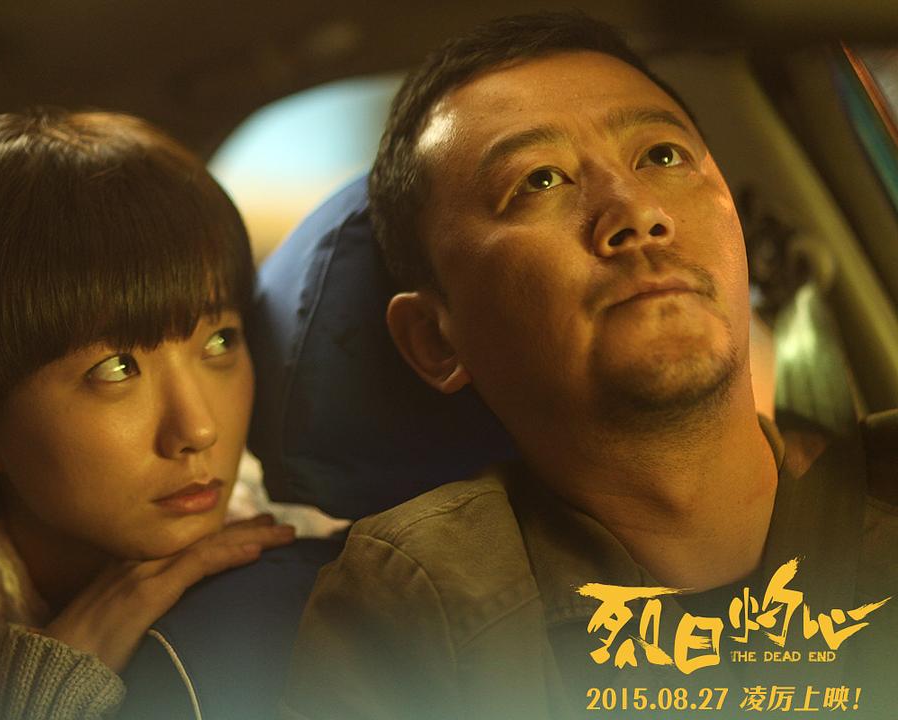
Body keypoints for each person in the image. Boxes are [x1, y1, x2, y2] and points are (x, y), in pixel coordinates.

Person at [281, 12, 898, 720]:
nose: (636, 212)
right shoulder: (426, 601)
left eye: (662, 156)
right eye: (540, 180)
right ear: (435, 340)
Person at [0, 109, 296, 719]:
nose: (198, 429)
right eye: (116, 369)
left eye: (220, 341)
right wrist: (50, 683)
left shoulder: (304, 530)